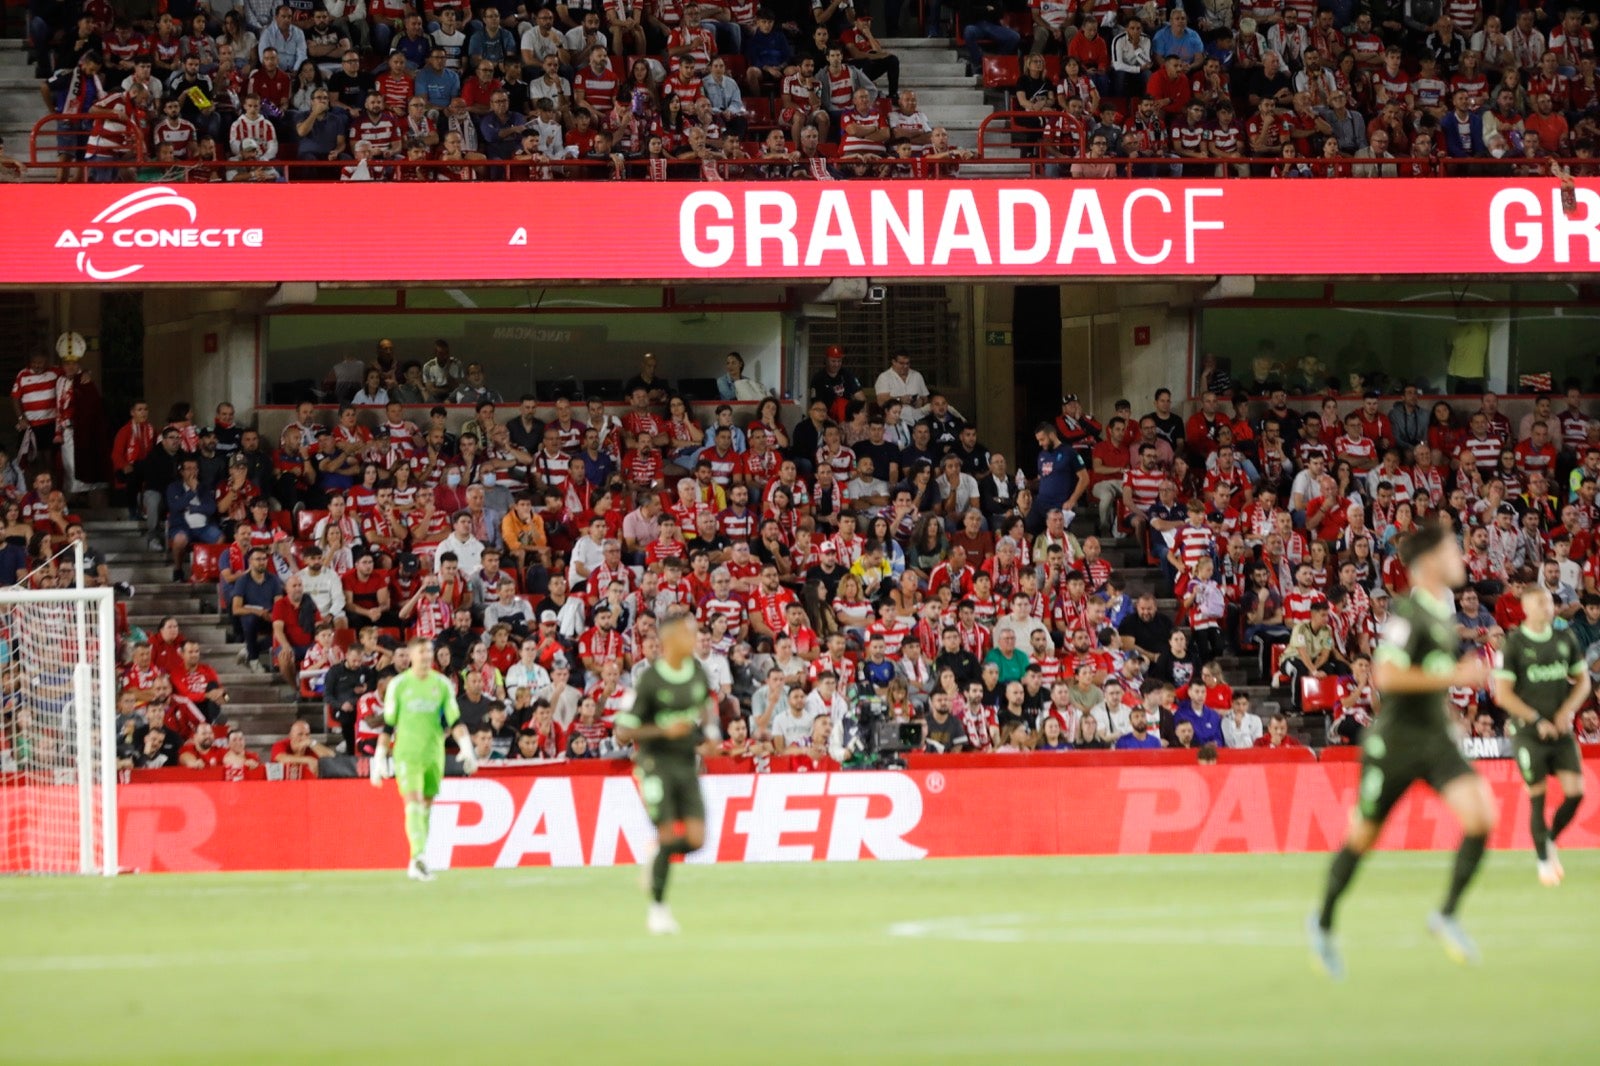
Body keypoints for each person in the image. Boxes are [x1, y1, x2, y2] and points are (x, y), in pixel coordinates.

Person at [1309, 523, 1499, 980]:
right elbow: (1387, 677)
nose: (1461, 556)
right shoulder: (1408, 613)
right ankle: (1323, 921)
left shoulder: (1438, 613)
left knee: (1481, 816)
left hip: (1434, 741)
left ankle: (1446, 915)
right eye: (1452, 549)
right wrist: (1455, 675)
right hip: (1393, 744)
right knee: (1364, 837)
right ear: (1429, 561)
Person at [614, 609, 720, 935]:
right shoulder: (650, 680)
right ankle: (658, 910)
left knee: (697, 840)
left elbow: (706, 706)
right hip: (655, 765)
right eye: (689, 633)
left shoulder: (697, 672)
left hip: (687, 764)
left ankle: (657, 855)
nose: (697, 638)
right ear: (670, 639)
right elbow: (623, 732)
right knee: (670, 834)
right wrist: (664, 731)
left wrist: (712, 735)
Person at [1490, 585, 1589, 887]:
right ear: (1526, 608)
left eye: (1549, 603)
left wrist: (1566, 712)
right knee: (1538, 796)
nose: (1546, 608)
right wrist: (1536, 719)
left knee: (1576, 793)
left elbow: (1583, 682)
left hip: (1560, 730)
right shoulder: (1515, 644)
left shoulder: (1564, 638)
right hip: (1528, 733)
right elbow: (1503, 696)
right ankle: (1544, 862)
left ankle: (1549, 840)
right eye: (1539, 603)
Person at [369, 634, 479, 881]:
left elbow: (455, 720)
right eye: (422, 653)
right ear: (411, 656)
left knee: (426, 806)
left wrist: (466, 747)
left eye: (430, 653)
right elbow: (388, 726)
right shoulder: (399, 686)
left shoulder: (441, 685)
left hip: (434, 753)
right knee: (414, 803)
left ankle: (416, 858)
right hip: (407, 753)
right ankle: (419, 857)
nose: (427, 657)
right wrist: (379, 758)